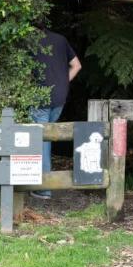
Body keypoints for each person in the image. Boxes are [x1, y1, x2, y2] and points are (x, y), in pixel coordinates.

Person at [30, 27, 82, 199]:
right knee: (46, 138)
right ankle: (38, 180)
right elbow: (76, 66)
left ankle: (44, 187)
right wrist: (62, 83)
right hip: (60, 97)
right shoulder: (60, 39)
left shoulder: (27, 40)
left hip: (40, 97)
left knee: (41, 140)